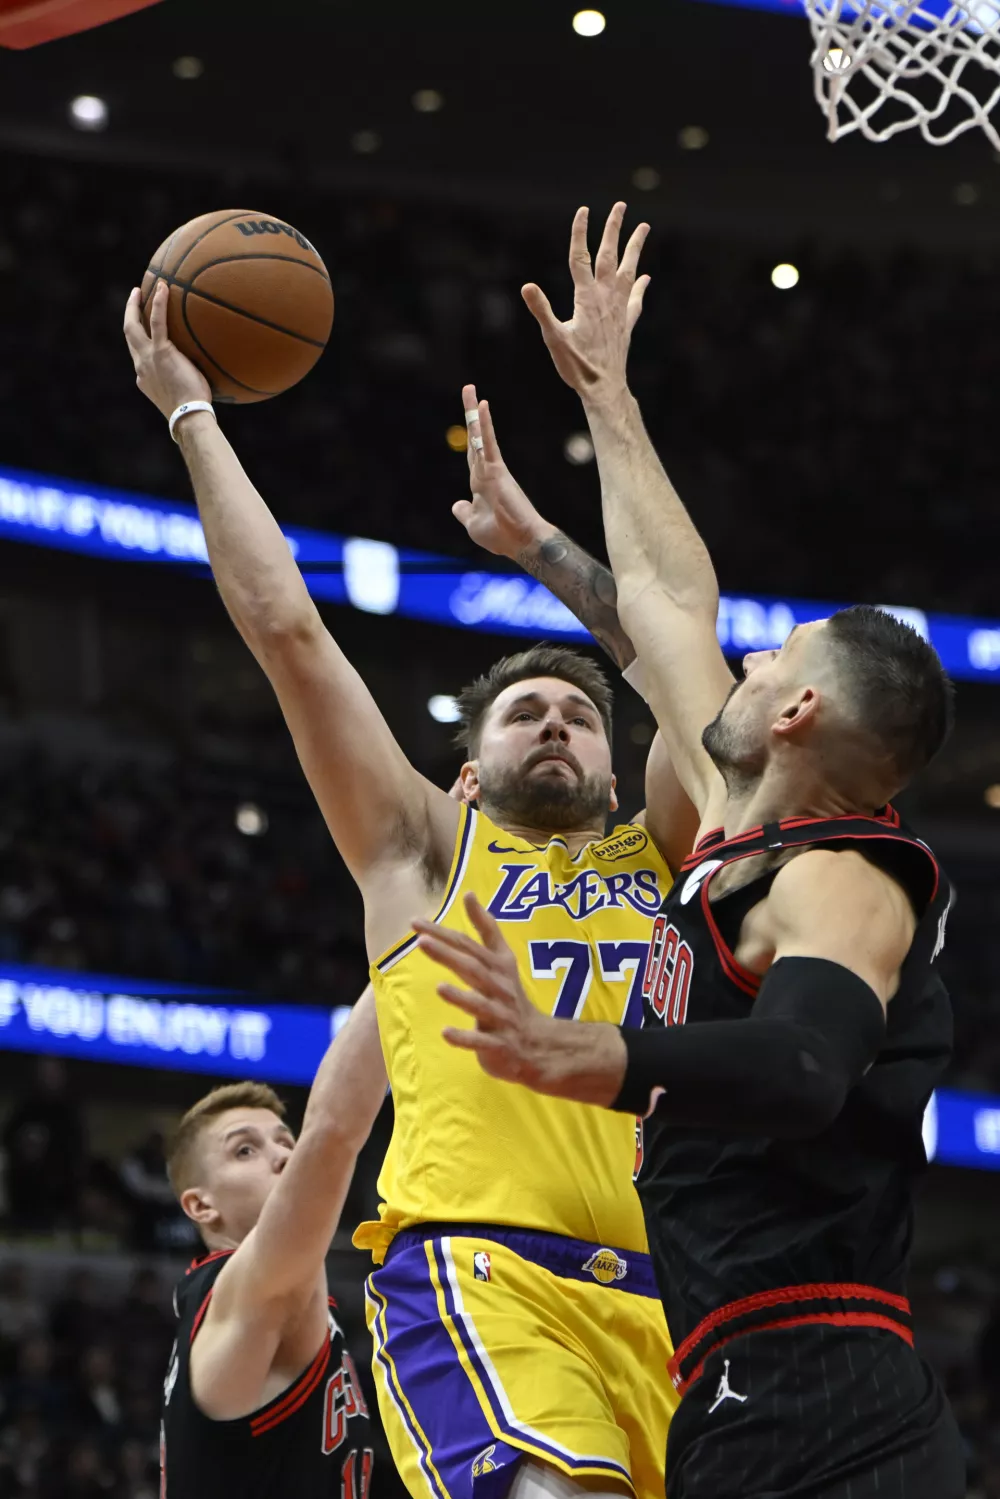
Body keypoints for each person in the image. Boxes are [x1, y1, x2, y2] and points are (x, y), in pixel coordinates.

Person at [417, 205, 966, 1498]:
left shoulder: (847, 878)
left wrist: (597, 1051)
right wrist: (604, 403)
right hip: (732, 1368)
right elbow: (667, 602)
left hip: (825, 1377)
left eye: (775, 656)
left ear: (796, 713)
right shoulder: (737, 814)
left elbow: (805, 1063)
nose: (747, 655)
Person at [124, 282, 700, 1499]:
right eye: (523, 711)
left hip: (681, 1300)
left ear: (616, 759)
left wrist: (585, 462)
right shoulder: (427, 853)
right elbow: (287, 630)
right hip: (483, 1272)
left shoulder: (666, 854)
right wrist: (193, 418)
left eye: (581, 714)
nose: (555, 721)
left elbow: (687, 639)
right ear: (465, 770)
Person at [158, 992, 382, 1499]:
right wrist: (405, 953)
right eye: (245, 1150)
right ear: (201, 1206)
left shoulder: (268, 1302)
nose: (284, 1156)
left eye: (285, 1140)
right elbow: (332, 1133)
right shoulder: (241, 1289)